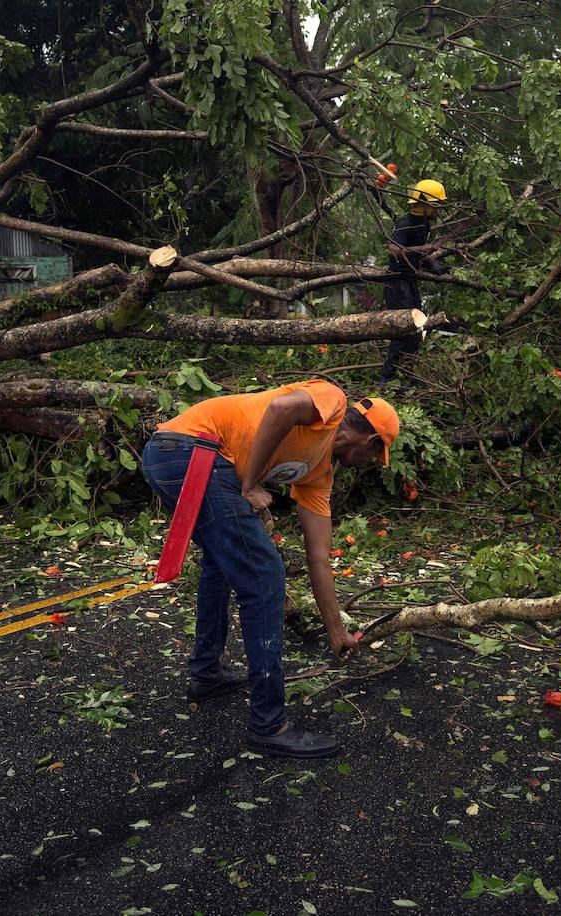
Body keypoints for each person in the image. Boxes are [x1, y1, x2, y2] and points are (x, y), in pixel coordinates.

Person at [142, 381, 400, 759]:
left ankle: (206, 674)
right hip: (190, 450)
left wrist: (337, 632)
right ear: (369, 440)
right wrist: (248, 487)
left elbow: (319, 558)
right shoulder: (331, 401)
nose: (372, 464)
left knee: (222, 562)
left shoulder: (318, 475)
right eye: (377, 454)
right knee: (265, 576)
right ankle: (268, 724)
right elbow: (280, 409)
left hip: (184, 456)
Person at [380, 178, 448, 388]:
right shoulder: (405, 223)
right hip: (396, 282)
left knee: (417, 330)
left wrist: (434, 264)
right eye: (437, 205)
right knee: (404, 330)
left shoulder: (425, 224)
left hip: (410, 281)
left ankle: (406, 375)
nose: (439, 210)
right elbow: (393, 250)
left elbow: (419, 250)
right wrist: (421, 250)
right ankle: (387, 379)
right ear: (425, 204)